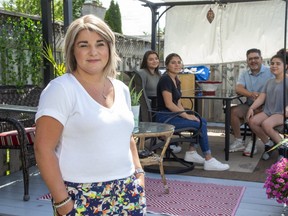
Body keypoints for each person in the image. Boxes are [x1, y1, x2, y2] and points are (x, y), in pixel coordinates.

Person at [34, 15, 146, 216]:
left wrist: (139, 174)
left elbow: (126, 137)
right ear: (72, 50)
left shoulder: (121, 89)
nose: (93, 52)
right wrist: (63, 204)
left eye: (100, 44)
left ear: (109, 48)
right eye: (84, 45)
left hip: (127, 191)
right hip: (81, 195)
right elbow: (43, 149)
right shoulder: (61, 89)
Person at [156, 53, 230, 171]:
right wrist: (185, 115)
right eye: (173, 62)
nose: (176, 65)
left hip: (172, 115)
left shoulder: (176, 80)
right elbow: (169, 104)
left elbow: (178, 103)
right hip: (164, 118)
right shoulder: (165, 80)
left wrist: (188, 115)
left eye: (179, 62)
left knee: (201, 121)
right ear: (167, 65)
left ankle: (191, 152)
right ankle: (208, 159)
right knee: (198, 124)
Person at [230, 48, 273, 157]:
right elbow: (238, 88)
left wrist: (260, 101)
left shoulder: (270, 71)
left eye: (256, 58)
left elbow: (276, 89)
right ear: (247, 61)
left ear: (261, 59)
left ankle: (252, 142)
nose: (253, 61)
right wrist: (251, 94)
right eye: (250, 59)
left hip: (267, 106)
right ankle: (239, 141)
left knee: (256, 112)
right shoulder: (244, 73)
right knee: (233, 111)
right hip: (249, 105)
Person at [246, 50, 288, 160]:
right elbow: (261, 97)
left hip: (281, 113)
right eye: (272, 63)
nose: (274, 66)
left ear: (286, 66)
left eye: (278, 64)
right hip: (268, 111)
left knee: (266, 124)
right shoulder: (269, 81)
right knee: (251, 120)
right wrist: (251, 108)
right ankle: (269, 143)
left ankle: (283, 148)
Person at [138, 50, 182, 154]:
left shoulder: (159, 75)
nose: (154, 61)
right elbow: (140, 92)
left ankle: (167, 142)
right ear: (146, 61)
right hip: (149, 106)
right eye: (151, 59)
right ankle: (165, 141)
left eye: (156, 59)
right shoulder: (142, 73)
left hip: (159, 103)